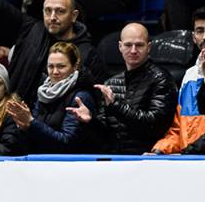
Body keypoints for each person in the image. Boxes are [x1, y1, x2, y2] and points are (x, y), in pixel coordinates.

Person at [73, 23, 177, 154]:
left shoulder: (161, 78)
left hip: (148, 160)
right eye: (128, 45)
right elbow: (103, 137)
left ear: (149, 47)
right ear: (120, 47)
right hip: (116, 162)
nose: (133, 50)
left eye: (139, 45)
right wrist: (90, 121)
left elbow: (154, 125)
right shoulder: (110, 84)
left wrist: (115, 105)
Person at [150, 6, 205, 155]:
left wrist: (191, 152)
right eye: (200, 31)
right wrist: (159, 150)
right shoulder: (190, 75)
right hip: (189, 162)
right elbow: (178, 129)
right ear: (193, 37)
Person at [6, 41, 98, 153]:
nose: (55, 72)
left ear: (74, 66)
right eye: (51, 66)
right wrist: (24, 128)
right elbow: (31, 141)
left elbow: (66, 142)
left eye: (61, 66)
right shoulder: (43, 92)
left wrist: (31, 122)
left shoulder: (81, 97)